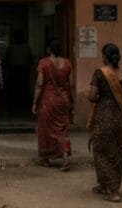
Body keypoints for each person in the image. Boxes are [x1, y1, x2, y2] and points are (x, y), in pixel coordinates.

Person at [86, 42, 122, 202]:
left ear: (105, 57)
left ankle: (112, 191)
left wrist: (102, 97)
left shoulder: (100, 73)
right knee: (118, 153)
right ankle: (104, 185)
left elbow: (92, 96)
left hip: (104, 118)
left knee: (101, 152)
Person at [32, 38, 74, 169]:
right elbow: (71, 84)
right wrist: (73, 102)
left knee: (46, 129)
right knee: (62, 129)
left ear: (48, 49)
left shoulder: (43, 63)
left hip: (48, 100)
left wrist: (34, 102)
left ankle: (46, 159)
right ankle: (65, 157)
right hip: (63, 100)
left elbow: (39, 84)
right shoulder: (67, 63)